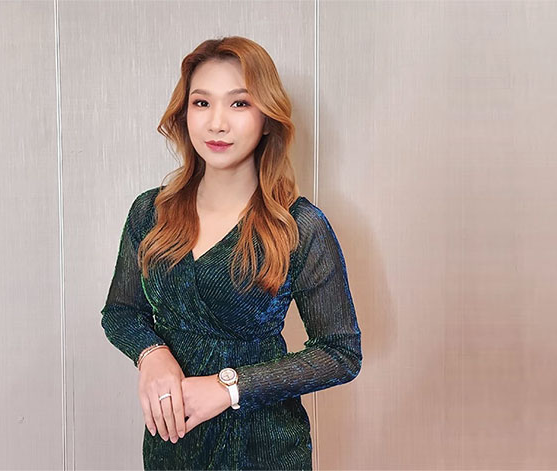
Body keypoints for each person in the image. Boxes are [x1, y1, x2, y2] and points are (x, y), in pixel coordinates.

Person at [100, 36, 362, 470]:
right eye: (201, 103)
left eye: (239, 104)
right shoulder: (150, 212)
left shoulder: (299, 226)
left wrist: (230, 387)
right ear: (184, 114)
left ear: (267, 118)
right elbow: (121, 312)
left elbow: (341, 353)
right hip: (174, 443)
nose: (216, 123)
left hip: (265, 448)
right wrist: (152, 354)